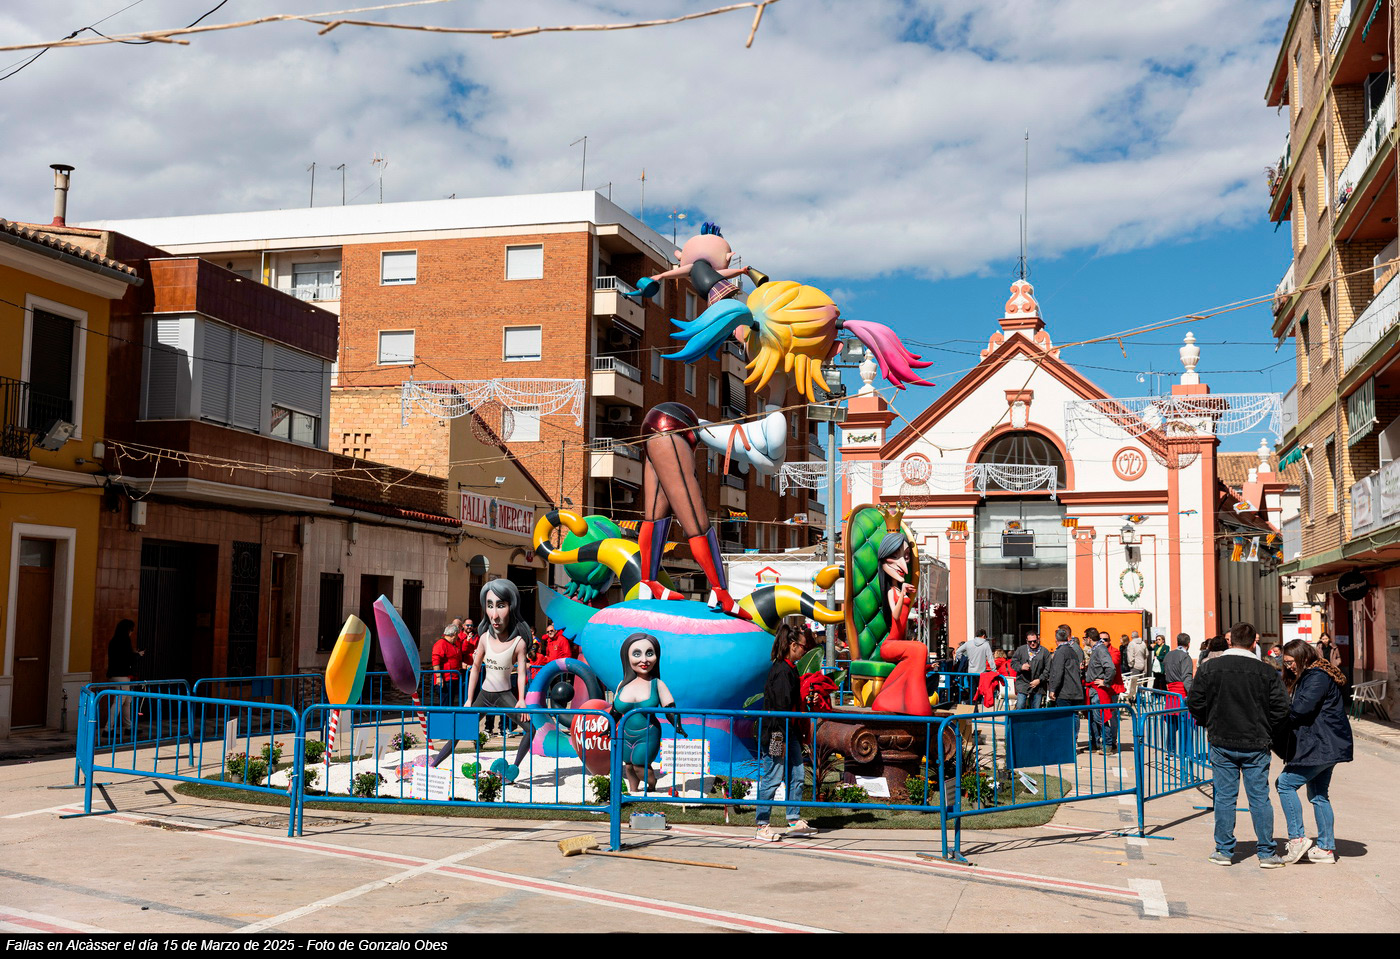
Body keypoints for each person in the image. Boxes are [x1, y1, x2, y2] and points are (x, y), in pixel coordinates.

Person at [1186, 622, 1290, 868]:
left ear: (1230, 641)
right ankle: (1266, 853)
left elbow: (1195, 702)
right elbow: (1282, 708)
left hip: (1222, 739)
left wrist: (1209, 722)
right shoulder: (1266, 671)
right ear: (1254, 643)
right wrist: (1268, 729)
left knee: (1224, 797)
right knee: (1260, 798)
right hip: (1256, 741)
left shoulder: (1209, 667)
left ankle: (1224, 851)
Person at [432, 579, 536, 781]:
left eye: (501, 606)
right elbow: (475, 669)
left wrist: (522, 700)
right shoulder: (484, 638)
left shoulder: (519, 643)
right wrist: (469, 699)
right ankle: (433, 765)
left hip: (505, 695)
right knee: (459, 730)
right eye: (490, 605)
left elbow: (522, 672)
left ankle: (512, 769)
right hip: (484, 695)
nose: (494, 615)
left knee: (531, 730)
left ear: (512, 606)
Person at [1275, 639, 1353, 865]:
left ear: (1303, 657)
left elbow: (1301, 709)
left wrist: (1277, 715)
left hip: (1320, 745)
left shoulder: (1316, 676)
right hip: (1326, 744)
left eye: (1291, 662)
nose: (1289, 666)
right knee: (1318, 795)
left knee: (1285, 784)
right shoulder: (1314, 674)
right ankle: (1326, 849)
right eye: (1285, 663)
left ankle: (1297, 839)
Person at [756, 624, 816, 841]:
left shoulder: (790, 668)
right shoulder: (782, 671)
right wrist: (779, 740)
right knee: (773, 777)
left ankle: (793, 820)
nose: (805, 651)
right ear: (792, 645)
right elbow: (780, 709)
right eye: (803, 647)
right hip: (777, 733)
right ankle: (762, 825)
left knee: (797, 775)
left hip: (788, 733)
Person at [611, 632, 688, 793]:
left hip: (648, 733)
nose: (644, 659)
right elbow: (615, 710)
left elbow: (670, 707)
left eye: (649, 653)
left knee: (640, 765)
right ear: (626, 657)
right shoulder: (622, 684)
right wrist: (607, 726)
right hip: (625, 733)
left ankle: (651, 786)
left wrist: (677, 725)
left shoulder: (656, 684)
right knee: (628, 765)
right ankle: (633, 791)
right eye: (637, 654)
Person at [1045, 626, 1087, 749]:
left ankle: (1066, 742)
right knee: (1074, 715)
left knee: (1064, 716)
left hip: (1065, 690)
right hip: (1075, 689)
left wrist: (1053, 689)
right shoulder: (1073, 650)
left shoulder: (1060, 652)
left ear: (1056, 640)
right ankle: (1073, 740)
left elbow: (1058, 672)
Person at [105, 619, 145, 733]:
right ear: (127, 630)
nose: (132, 632)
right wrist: (138, 655)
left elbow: (121, 657)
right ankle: (108, 729)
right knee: (120, 701)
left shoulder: (114, 641)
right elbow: (128, 659)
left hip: (115, 674)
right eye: (131, 630)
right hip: (122, 675)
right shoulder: (125, 641)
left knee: (127, 701)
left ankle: (129, 727)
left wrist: (134, 654)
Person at [1083, 629, 1118, 753]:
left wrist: (1105, 682)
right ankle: (1097, 744)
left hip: (1098, 690)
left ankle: (1107, 745)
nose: (1084, 640)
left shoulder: (1101, 649)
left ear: (1089, 638)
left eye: (1084, 638)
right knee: (1095, 718)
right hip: (1093, 690)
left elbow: (1111, 668)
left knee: (1101, 718)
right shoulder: (1096, 649)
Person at [1163, 633, 1195, 751]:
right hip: (1181, 692)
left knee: (1171, 724)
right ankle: (1185, 751)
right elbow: (1187, 677)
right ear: (1188, 644)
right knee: (1184, 724)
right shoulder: (1185, 657)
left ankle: (1170, 751)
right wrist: (1192, 694)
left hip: (1171, 692)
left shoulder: (1168, 655)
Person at [1010, 631, 1049, 710]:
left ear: (1038, 640)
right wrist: (1021, 667)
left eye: (1034, 641)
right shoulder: (1021, 650)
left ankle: (1033, 719)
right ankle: (1019, 718)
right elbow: (1013, 663)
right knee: (1020, 705)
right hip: (1023, 682)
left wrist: (1039, 680)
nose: (1032, 643)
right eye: (1030, 642)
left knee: (1035, 709)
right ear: (1026, 641)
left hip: (1038, 685)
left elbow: (1048, 669)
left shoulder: (1044, 652)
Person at [430, 624, 464, 712]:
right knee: (445, 704)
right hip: (445, 679)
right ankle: (444, 719)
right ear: (454, 634)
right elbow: (435, 661)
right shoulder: (441, 644)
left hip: (452, 678)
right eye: (457, 635)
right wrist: (438, 676)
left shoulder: (453, 644)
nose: (457, 637)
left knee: (450, 703)